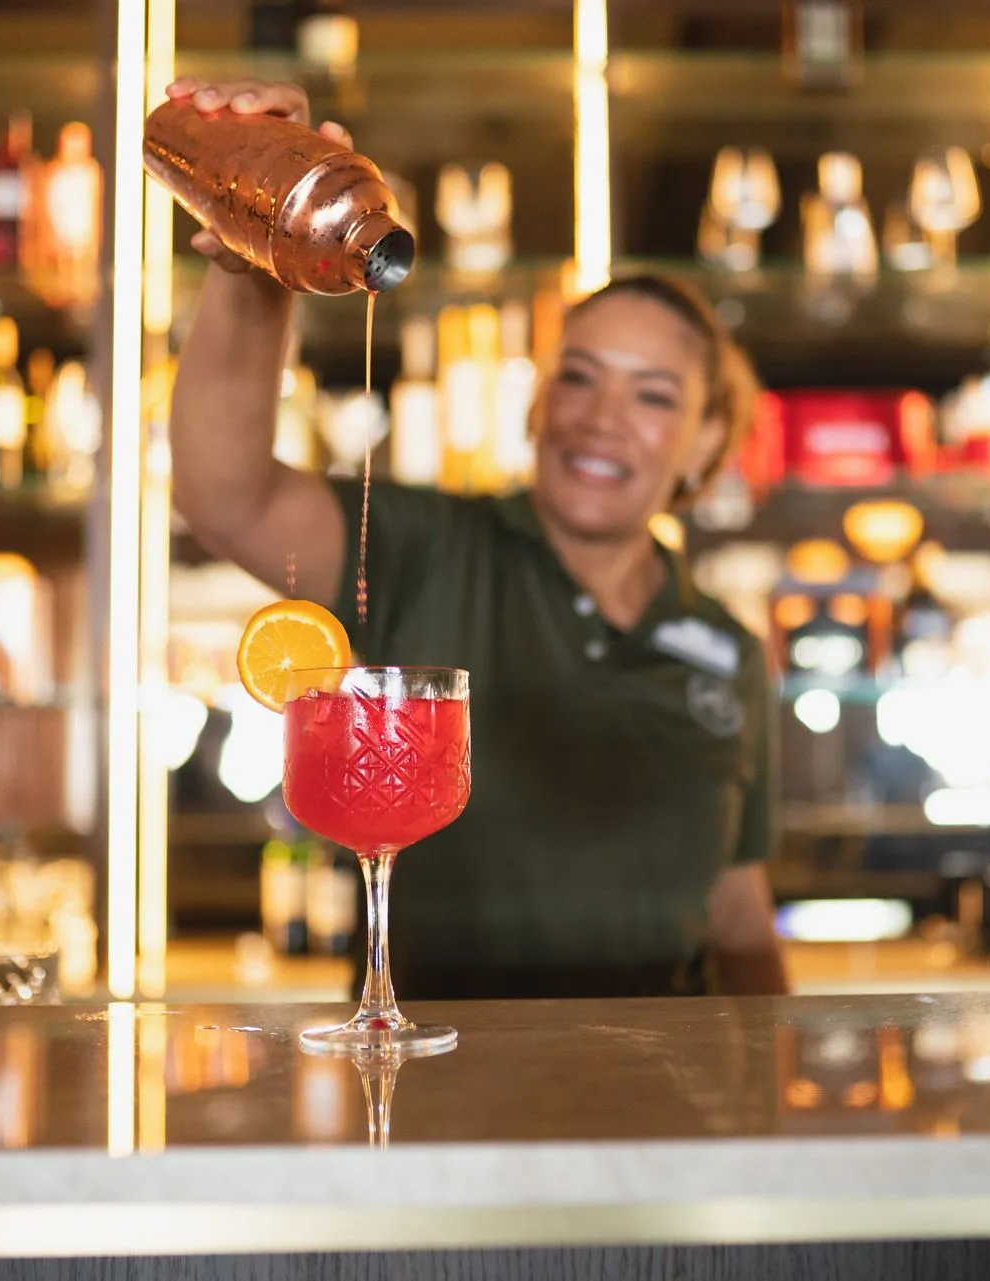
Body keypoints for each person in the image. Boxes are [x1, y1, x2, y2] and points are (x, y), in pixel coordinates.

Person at [166, 78, 789, 1000]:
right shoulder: (426, 545)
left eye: (654, 395)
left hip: (670, 1084)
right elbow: (226, 493)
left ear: (705, 441)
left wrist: (775, 1086)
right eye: (578, 377)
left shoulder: (728, 652)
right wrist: (255, 249)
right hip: (435, 1077)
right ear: (536, 406)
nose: (602, 418)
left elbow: (738, 915)